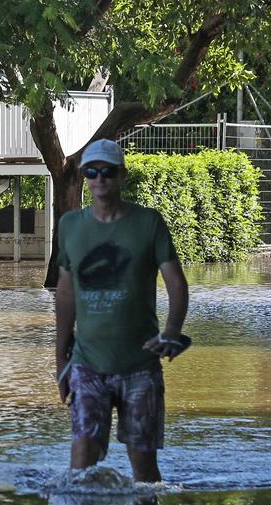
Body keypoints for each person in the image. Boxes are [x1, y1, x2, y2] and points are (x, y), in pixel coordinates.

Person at [55, 138, 190, 483]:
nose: (99, 179)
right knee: (80, 465)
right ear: (85, 176)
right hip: (88, 365)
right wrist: (60, 360)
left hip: (140, 366)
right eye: (91, 172)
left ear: (122, 176)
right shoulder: (70, 226)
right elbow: (66, 293)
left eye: (108, 172)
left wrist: (172, 332)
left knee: (143, 468)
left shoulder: (148, 223)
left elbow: (176, 283)